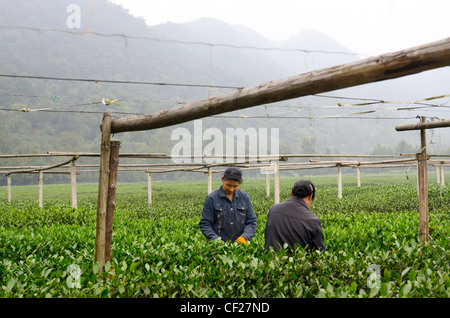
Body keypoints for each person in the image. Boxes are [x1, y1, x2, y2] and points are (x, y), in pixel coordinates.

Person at [199, 166, 257, 244]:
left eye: (235, 186)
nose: (231, 189)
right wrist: (216, 240)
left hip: (239, 247)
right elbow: (205, 224)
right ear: (223, 179)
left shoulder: (244, 197)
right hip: (217, 247)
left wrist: (245, 237)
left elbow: (252, 221)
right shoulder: (212, 198)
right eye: (228, 185)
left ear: (239, 184)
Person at [264, 179, 325, 254]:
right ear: (310, 197)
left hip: (272, 262)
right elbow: (319, 252)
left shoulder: (274, 210)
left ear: (291, 194)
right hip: (299, 264)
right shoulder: (312, 220)